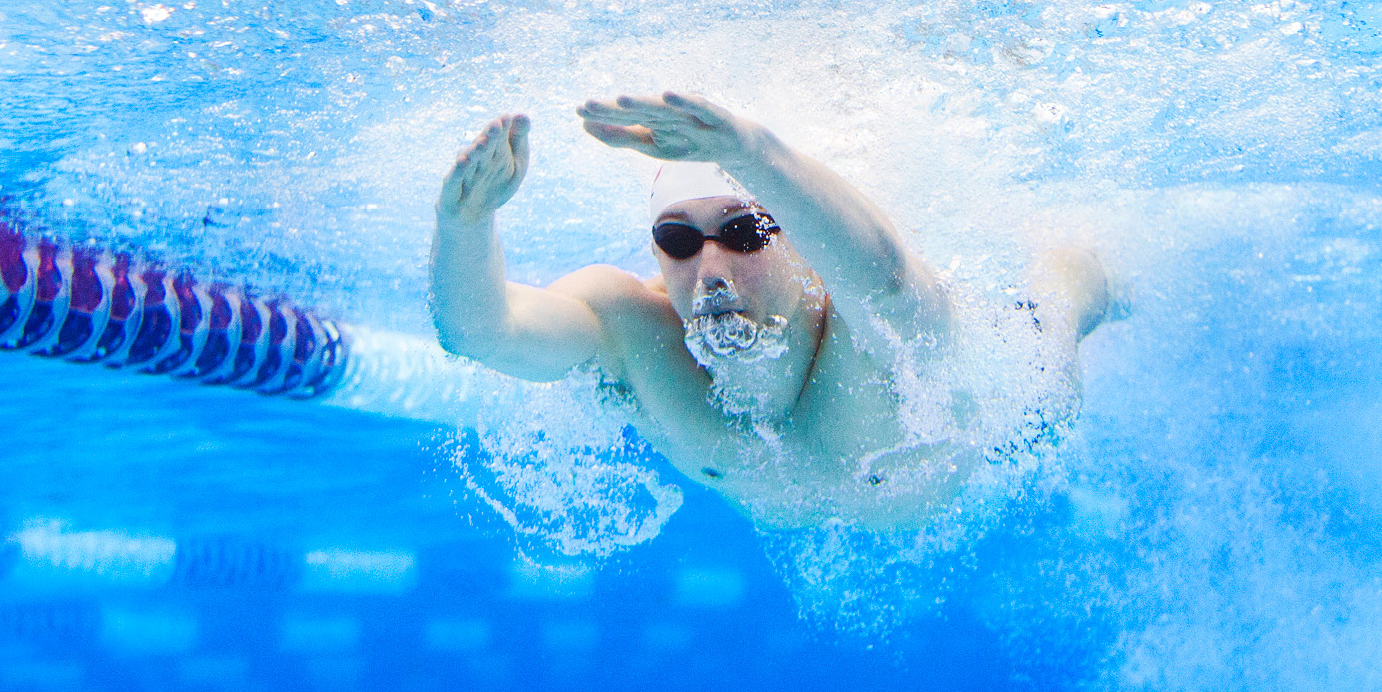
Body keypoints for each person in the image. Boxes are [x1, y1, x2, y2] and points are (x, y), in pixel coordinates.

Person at [429, 92, 1108, 528]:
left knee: (1050, 351)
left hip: (1011, 401)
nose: (710, 271)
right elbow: (482, 333)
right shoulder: (632, 327)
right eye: (678, 240)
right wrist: (465, 226)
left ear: (802, 246)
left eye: (746, 233)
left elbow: (891, 277)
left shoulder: (867, 325)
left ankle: (1080, 273)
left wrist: (748, 152)